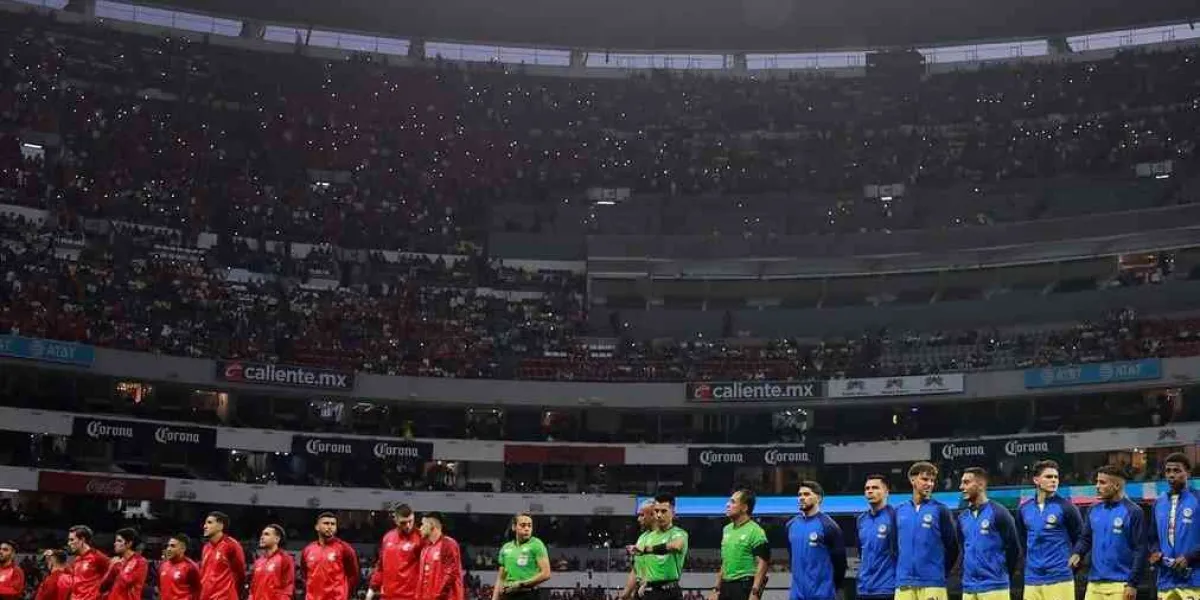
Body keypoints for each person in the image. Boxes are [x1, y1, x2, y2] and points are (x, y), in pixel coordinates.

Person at [1070, 465, 1147, 600]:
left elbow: (1140, 550)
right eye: (1097, 482)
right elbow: (1085, 539)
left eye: (1102, 482)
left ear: (1116, 486)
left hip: (1121, 585)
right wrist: (1078, 553)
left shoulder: (1134, 512)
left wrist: (1132, 583)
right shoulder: (1093, 510)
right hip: (1094, 584)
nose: (1097, 486)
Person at [1020, 460, 1083, 600]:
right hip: (1032, 579)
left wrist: (1075, 559)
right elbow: (1022, 539)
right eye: (1049, 477)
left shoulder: (1067, 508)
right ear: (1036, 480)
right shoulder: (1024, 509)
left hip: (1059, 578)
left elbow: (1081, 538)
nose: (1054, 480)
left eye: (1056, 477)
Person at [895, 462, 958, 600]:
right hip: (904, 583)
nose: (929, 484)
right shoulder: (899, 511)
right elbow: (893, 547)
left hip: (933, 583)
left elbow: (953, 547)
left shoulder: (941, 510)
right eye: (924, 479)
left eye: (932, 481)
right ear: (912, 480)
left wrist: (939, 572)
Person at [956, 467, 1020, 600]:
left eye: (966, 482)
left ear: (980, 485)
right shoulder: (962, 518)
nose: (961, 486)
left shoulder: (999, 513)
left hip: (994, 587)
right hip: (968, 588)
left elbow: (1014, 549)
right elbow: (963, 548)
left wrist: (1000, 574)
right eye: (962, 482)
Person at [1148, 453, 1200, 600]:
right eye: (1168, 471)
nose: (1171, 475)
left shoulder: (1198, 499)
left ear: (1188, 473)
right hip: (1165, 581)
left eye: (1177, 471)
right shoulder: (1158, 503)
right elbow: (1152, 538)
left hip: (1194, 580)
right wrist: (1155, 552)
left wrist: (1190, 557)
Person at [786, 481, 846, 600]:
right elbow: (792, 556)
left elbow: (840, 564)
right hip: (797, 595)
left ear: (818, 498)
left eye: (807, 494)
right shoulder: (790, 525)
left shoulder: (829, 526)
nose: (802, 498)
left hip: (822, 595)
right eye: (800, 495)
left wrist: (830, 588)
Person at [710, 489, 769, 600]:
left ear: (744, 508)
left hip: (744, 587)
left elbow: (763, 564)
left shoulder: (756, 531)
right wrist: (716, 589)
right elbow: (725, 562)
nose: (727, 504)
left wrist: (755, 592)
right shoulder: (726, 529)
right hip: (725, 586)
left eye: (733, 502)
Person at [630, 494, 689, 600]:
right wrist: (643, 583)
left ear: (673, 513)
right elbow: (643, 565)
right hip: (650, 592)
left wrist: (649, 549)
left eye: (663, 511)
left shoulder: (679, 533)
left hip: (669, 592)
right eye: (656, 511)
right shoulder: (647, 537)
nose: (659, 515)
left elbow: (676, 546)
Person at [368, 504, 424, 600]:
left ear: (414, 517)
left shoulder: (421, 538)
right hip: (387, 596)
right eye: (403, 523)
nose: (408, 526)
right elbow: (381, 566)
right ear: (396, 520)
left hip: (411, 597)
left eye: (410, 521)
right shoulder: (387, 537)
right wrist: (372, 588)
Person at [492, 513, 552, 600]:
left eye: (529, 526)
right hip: (508, 595)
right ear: (514, 527)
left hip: (528, 594)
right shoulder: (506, 548)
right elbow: (501, 578)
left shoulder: (536, 544)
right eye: (523, 525)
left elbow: (546, 574)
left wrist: (521, 584)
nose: (527, 529)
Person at [856, 475, 897, 600]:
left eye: (875, 488)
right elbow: (861, 552)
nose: (870, 491)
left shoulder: (895, 517)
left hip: (888, 588)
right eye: (867, 488)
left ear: (886, 492)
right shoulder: (861, 519)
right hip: (863, 589)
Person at [303, 512, 360, 600]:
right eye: (326, 523)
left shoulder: (345, 548)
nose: (330, 527)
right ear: (317, 527)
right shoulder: (308, 550)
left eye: (333, 524)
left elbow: (353, 575)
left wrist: (344, 594)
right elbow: (305, 575)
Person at [417, 512, 464, 600]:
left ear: (432, 525)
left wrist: (436, 596)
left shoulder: (448, 544)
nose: (420, 528)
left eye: (423, 524)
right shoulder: (425, 548)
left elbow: (450, 574)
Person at [200, 511, 246, 600]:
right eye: (205, 523)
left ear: (220, 526)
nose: (204, 526)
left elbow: (241, 575)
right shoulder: (206, 547)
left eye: (209, 523)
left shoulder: (232, 545)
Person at [620, 500, 657, 600]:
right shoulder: (642, 538)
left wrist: (647, 583)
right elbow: (636, 569)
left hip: (658, 592)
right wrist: (626, 593)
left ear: (653, 515)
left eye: (642, 515)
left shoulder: (665, 537)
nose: (638, 519)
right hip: (641, 592)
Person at [250, 525, 295, 600]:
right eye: (262, 534)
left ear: (277, 539)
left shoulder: (285, 559)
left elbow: (287, 589)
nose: (262, 537)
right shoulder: (258, 561)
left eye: (266, 534)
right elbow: (253, 588)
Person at [102, 528, 148, 600]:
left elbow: (126, 582)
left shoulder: (140, 561)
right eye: (115, 541)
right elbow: (103, 585)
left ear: (129, 544)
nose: (115, 544)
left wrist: (117, 565)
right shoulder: (118, 561)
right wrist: (111, 567)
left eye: (119, 541)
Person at [67, 525, 111, 600]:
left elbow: (113, 577)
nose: (69, 543)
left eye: (72, 540)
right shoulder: (77, 560)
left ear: (82, 540)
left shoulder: (98, 557)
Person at [159, 534, 201, 600]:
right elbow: (161, 589)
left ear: (183, 549)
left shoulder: (191, 566)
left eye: (173, 546)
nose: (168, 549)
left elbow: (198, 590)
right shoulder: (163, 565)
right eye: (168, 546)